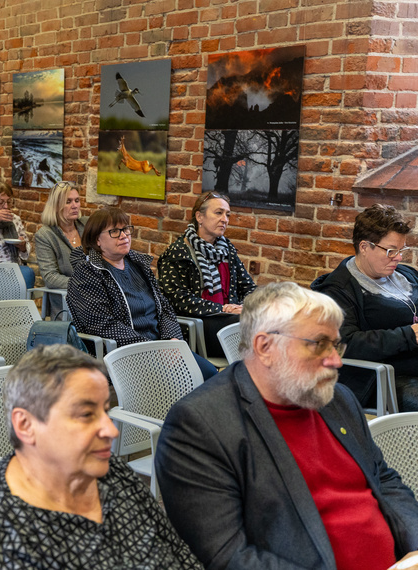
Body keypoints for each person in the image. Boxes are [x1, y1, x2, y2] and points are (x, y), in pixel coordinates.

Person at [155, 282, 418, 570]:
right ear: (265, 347)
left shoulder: (337, 399)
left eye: (335, 344)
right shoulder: (200, 424)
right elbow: (228, 556)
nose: (335, 361)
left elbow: (382, 478)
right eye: (319, 344)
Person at [0, 344, 203, 569]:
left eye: (105, 411)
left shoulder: (110, 472)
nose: (110, 430)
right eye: (86, 415)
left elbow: (177, 554)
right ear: (26, 425)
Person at [68, 207, 217, 379]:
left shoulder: (138, 266)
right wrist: (151, 348)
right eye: (114, 232)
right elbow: (101, 325)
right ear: (97, 240)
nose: (124, 235)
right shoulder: (87, 273)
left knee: (210, 374)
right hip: (124, 351)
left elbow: (165, 309)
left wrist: (172, 339)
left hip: (160, 346)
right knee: (192, 379)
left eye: (125, 229)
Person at [312, 204, 418, 412]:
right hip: (386, 378)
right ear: (364, 247)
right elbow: (346, 344)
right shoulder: (339, 290)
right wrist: (409, 336)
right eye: (390, 251)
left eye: (401, 250)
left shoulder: (406, 274)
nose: (398, 257)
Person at [158, 191, 256, 358]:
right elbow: (178, 300)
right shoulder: (178, 253)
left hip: (230, 318)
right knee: (254, 329)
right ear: (199, 217)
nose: (225, 219)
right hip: (199, 326)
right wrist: (222, 309)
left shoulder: (226, 250)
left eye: (227, 215)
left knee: (270, 319)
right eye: (218, 213)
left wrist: (244, 306)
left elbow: (248, 287)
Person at [34, 181, 88, 318]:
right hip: (67, 300)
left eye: (77, 200)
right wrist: (84, 284)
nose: (75, 206)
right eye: (68, 202)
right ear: (56, 206)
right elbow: (50, 278)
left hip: (97, 296)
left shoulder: (86, 225)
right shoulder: (45, 235)